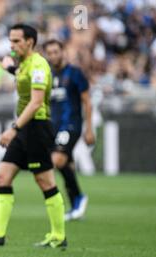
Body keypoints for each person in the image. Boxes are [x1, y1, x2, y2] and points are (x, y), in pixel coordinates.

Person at [0, 24, 66, 248]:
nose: (11, 45)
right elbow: (21, 76)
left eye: (16, 41)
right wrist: (10, 68)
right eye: (10, 41)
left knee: (44, 180)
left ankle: (59, 236)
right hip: (25, 128)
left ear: (30, 42)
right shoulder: (24, 64)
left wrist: (14, 129)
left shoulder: (39, 64)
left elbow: (36, 102)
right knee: (3, 175)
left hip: (36, 127)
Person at [43, 39, 95, 221]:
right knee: (66, 165)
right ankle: (75, 204)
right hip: (54, 128)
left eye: (56, 51)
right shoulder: (47, 75)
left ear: (63, 52)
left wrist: (89, 129)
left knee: (56, 160)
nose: (52, 56)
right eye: (49, 53)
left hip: (71, 125)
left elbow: (87, 101)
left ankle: (79, 198)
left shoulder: (75, 73)